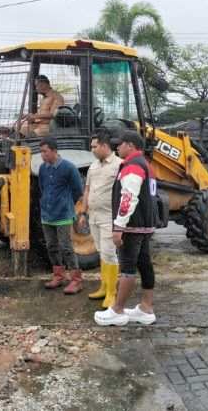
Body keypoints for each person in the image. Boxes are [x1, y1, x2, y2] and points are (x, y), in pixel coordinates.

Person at [95, 131, 157, 326]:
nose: (116, 147)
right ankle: (146, 308)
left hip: (132, 226)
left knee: (127, 267)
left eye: (119, 144)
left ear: (130, 145)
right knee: (144, 264)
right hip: (145, 225)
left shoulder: (132, 166)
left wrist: (119, 226)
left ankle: (117, 310)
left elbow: (128, 197)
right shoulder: (146, 164)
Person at [81, 131, 123, 309]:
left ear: (105, 146)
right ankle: (104, 287)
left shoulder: (119, 165)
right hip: (94, 216)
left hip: (109, 217)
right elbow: (87, 190)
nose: (92, 150)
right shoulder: (93, 167)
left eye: (94, 146)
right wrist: (83, 212)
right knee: (101, 251)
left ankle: (112, 293)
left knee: (109, 253)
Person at [39, 136, 84, 294]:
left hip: (63, 214)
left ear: (54, 151)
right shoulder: (43, 168)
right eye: (41, 152)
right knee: (51, 246)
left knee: (66, 247)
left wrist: (66, 203)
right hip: (47, 214)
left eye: (45, 151)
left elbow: (78, 190)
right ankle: (58, 276)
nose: (42, 155)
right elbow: (42, 188)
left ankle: (76, 280)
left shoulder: (69, 168)